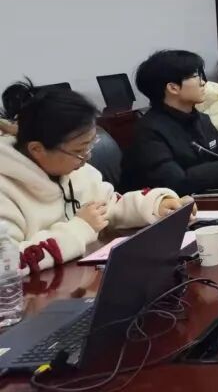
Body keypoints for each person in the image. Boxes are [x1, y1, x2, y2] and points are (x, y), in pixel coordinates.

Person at [0, 85, 184, 273]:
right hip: (39, 290)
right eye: (79, 150)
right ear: (37, 149)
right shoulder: (6, 190)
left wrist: (156, 205)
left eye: (90, 145)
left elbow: (108, 207)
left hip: (85, 279)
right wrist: (80, 228)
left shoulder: (77, 171)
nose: (87, 157)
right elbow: (6, 263)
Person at [122, 50, 218, 196]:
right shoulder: (148, 132)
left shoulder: (201, 119)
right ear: (173, 88)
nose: (203, 82)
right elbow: (177, 182)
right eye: (195, 76)